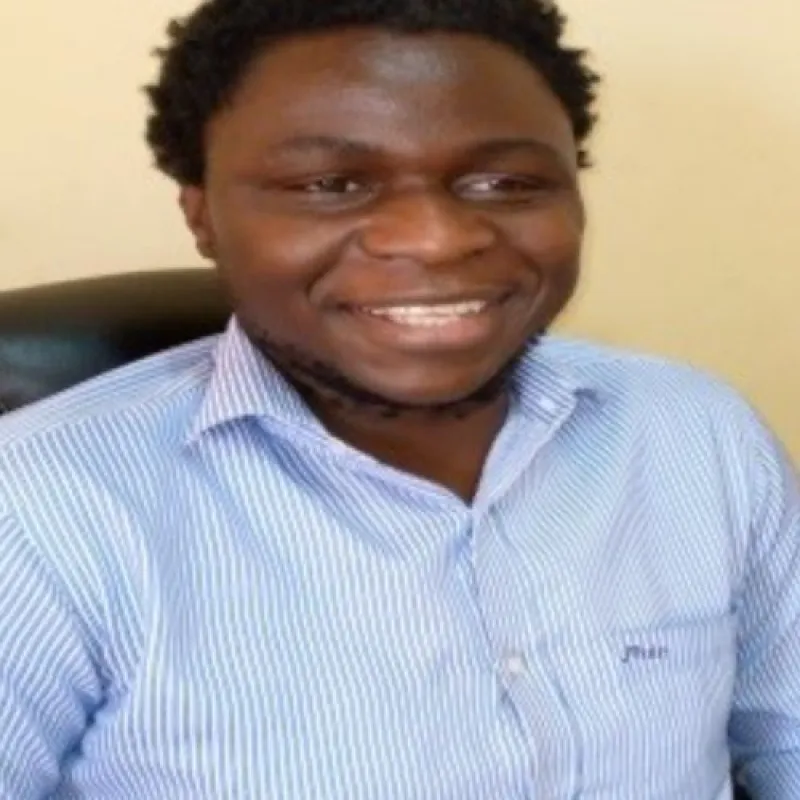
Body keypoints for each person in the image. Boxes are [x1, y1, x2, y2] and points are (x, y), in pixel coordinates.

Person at [0, 0, 797, 797]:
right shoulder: (38, 511)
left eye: (505, 182)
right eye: (331, 184)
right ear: (202, 215)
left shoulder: (696, 434)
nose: (436, 238)